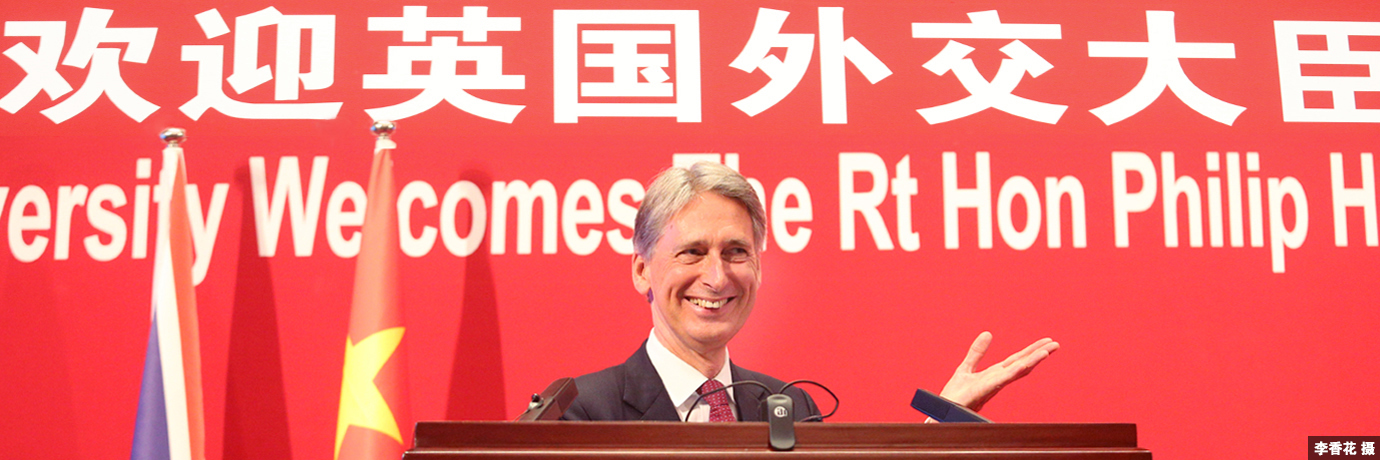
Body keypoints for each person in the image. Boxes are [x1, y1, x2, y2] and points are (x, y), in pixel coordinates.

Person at [560, 162, 1059, 422]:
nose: (716, 277)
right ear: (642, 270)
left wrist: (940, 424)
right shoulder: (583, 413)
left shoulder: (790, 406)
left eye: (736, 252)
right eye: (692, 252)